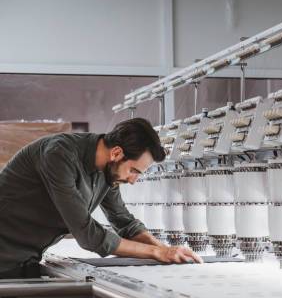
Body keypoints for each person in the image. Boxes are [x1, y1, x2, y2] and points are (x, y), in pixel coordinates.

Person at [0, 117, 203, 279]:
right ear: (116, 153)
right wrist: (156, 253)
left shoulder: (108, 173)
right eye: (133, 170)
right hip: (4, 258)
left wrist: (165, 249)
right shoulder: (59, 154)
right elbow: (88, 235)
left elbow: (124, 221)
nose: (133, 180)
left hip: (25, 260)